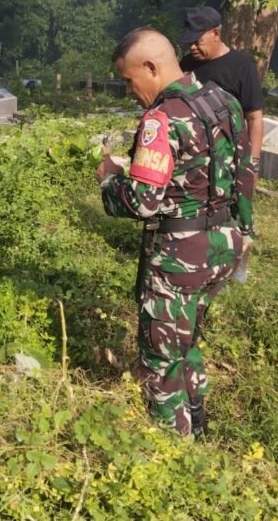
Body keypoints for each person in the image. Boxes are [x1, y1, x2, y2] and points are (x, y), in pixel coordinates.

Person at [96, 28, 254, 436]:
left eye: (130, 80)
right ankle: (197, 420)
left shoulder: (161, 119)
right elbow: (246, 173)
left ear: (151, 67)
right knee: (187, 339)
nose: (130, 90)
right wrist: (245, 231)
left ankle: (174, 449)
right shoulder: (225, 102)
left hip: (178, 256)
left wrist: (109, 179)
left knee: (161, 359)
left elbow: (141, 201)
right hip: (222, 245)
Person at [178, 6, 265, 173]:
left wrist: (253, 164)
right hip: (192, 159)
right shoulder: (187, 64)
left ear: (216, 34)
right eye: (189, 43)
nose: (193, 48)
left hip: (227, 158)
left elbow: (254, 118)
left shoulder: (241, 66)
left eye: (197, 41)